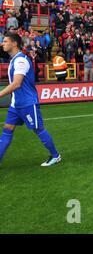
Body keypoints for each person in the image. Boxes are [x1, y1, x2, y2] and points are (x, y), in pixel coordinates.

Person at [0, 33, 61, 167]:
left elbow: (17, 84)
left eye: (5, 41)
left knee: (38, 129)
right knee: (7, 129)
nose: (2, 43)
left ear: (14, 43)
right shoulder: (14, 59)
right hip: (16, 104)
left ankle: (56, 156)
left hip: (28, 103)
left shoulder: (20, 60)